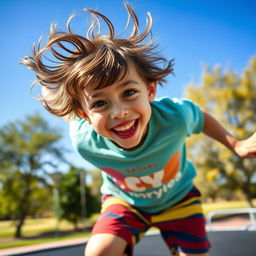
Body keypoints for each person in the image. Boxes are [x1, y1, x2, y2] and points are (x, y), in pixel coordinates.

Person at [21, 3, 256, 256]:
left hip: (178, 198)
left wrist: (237, 145)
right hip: (125, 202)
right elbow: (70, 116)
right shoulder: (84, 139)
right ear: (85, 115)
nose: (119, 112)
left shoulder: (173, 117)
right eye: (100, 103)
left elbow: (200, 117)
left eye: (129, 92)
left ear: (151, 91)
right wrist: (54, 91)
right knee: (98, 252)